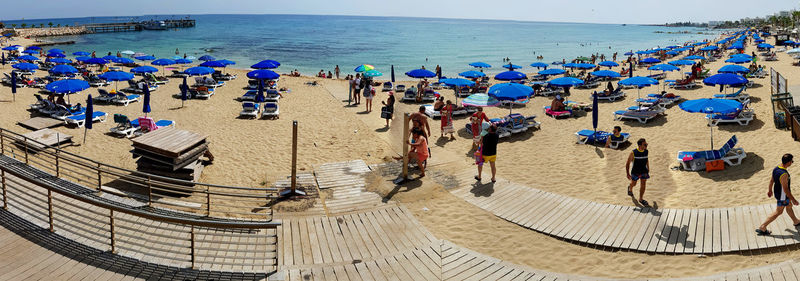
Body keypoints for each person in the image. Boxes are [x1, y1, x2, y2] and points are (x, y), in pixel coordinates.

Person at [757, 154, 800, 235]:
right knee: (778, 212)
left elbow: (771, 180)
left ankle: (796, 221)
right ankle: (763, 226)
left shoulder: (776, 168)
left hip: (778, 193)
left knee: (789, 206)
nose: (792, 163)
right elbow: (786, 189)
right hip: (783, 196)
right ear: (789, 162)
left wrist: (770, 190)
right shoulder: (784, 174)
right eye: (792, 161)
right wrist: (794, 199)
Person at [626, 138, 650, 206]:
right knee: (634, 184)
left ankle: (641, 199)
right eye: (645, 144)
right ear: (640, 145)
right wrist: (627, 173)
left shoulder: (646, 151)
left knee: (643, 184)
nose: (646, 145)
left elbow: (646, 159)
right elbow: (627, 163)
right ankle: (630, 188)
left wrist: (648, 168)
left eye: (646, 143)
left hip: (644, 171)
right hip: (635, 172)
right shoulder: (633, 153)